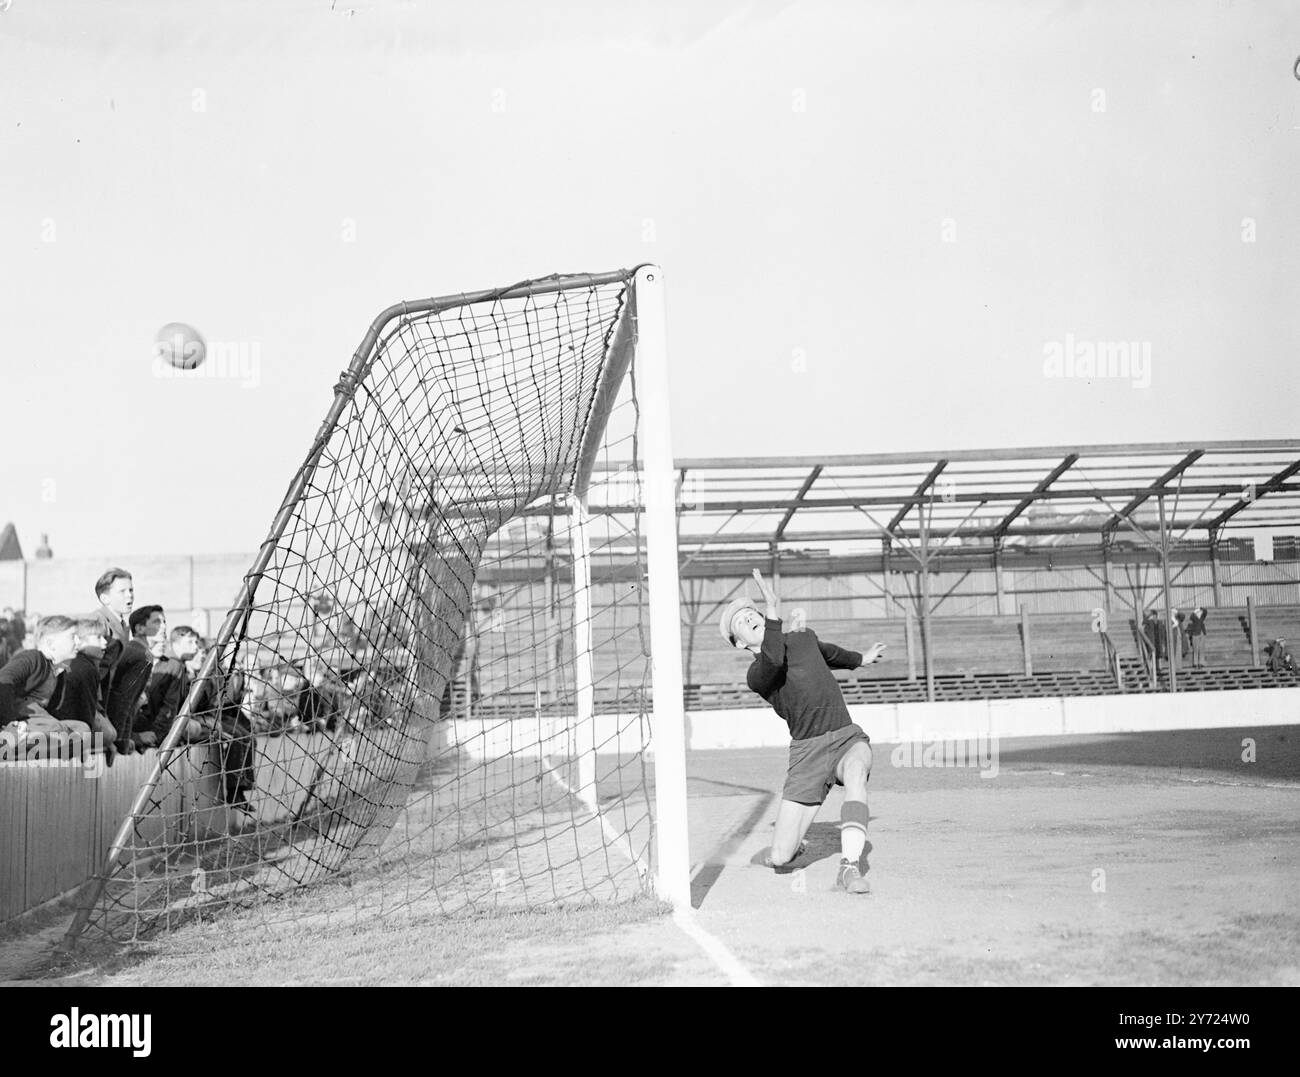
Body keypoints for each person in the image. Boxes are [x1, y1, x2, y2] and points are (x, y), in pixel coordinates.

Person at [723, 569, 885, 895]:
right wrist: (772, 612)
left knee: (856, 770)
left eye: (751, 612)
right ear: (739, 642)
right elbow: (773, 657)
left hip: (845, 736)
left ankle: (849, 867)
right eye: (740, 621)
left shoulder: (802, 636)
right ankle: (790, 849)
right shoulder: (757, 674)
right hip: (807, 754)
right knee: (781, 858)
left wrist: (860, 659)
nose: (748, 617)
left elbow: (827, 653)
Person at [0, 614, 83, 759]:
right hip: (19, 720)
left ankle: (21, 748)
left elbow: (53, 711)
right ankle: (9, 744)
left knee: (83, 730)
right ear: (51, 643)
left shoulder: (59, 670)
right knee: (59, 731)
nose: (78, 641)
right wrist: (10, 724)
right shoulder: (32, 658)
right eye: (72, 636)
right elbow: (3, 679)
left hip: (38, 724)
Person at [48, 617, 120, 763]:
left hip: (58, 724)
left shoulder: (72, 661)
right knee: (111, 734)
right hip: (70, 729)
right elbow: (86, 710)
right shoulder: (87, 668)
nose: (105, 643)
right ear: (79, 641)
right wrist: (85, 744)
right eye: (98, 638)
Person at [106, 604, 164, 753]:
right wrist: (123, 741)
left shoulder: (136, 650)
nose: (163, 627)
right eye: (157, 622)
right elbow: (124, 700)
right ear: (140, 628)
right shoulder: (141, 655)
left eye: (164, 622)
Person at [145, 625, 206, 744]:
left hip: (156, 723)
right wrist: (160, 737)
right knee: (197, 728)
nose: (195, 647)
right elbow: (168, 706)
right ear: (175, 644)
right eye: (190, 642)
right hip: (155, 726)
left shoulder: (176, 664)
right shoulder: (173, 665)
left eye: (196, 643)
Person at [86, 568, 134, 706]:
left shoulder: (123, 625)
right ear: (104, 598)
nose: (129, 595)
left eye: (131, 590)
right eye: (122, 591)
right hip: (94, 697)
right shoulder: (97, 621)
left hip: (110, 695)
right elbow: (89, 666)